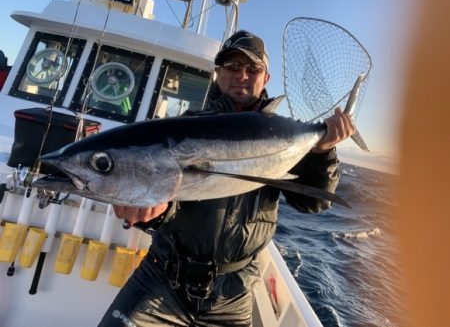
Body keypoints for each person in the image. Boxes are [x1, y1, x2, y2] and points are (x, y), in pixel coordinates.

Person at [98, 30, 355, 326]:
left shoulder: (286, 135)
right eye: (231, 66)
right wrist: (154, 212)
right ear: (218, 73)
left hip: (234, 294)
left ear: (266, 78)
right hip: (163, 278)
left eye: (252, 68)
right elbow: (175, 200)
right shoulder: (185, 129)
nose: (241, 75)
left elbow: (312, 203)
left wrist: (323, 151)